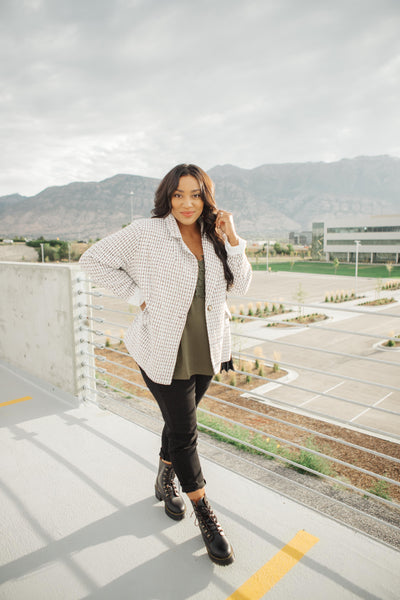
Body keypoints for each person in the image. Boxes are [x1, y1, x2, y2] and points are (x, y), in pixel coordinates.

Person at [79, 163, 252, 565]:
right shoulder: (147, 231)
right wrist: (138, 294)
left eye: (195, 194)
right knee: (186, 433)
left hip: (207, 347)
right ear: (167, 197)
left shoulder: (214, 235)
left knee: (179, 424)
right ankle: (205, 513)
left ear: (206, 197)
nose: (187, 203)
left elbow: (240, 285)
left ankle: (163, 478)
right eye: (178, 195)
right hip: (163, 347)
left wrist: (233, 238)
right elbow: (93, 260)